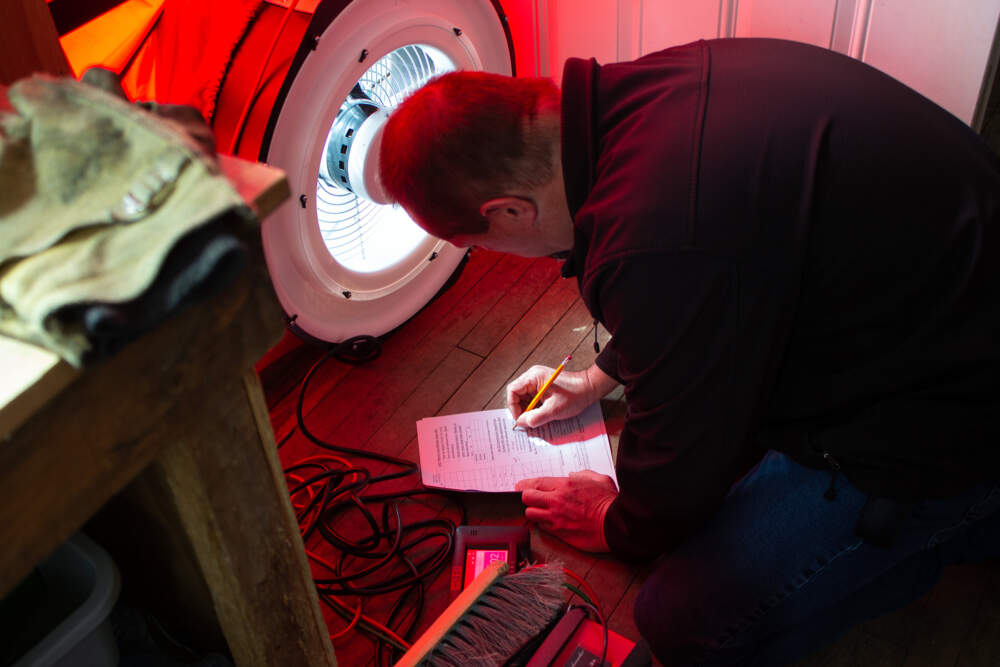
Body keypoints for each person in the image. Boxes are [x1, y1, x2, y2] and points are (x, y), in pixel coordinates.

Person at [378, 38, 1000, 665]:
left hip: (951, 415)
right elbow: (727, 264)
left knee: (679, 617)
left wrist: (614, 520)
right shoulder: (655, 88)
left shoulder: (655, 239)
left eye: (480, 243)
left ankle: (950, 528)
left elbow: (680, 463)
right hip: (938, 296)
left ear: (508, 210)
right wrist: (600, 377)